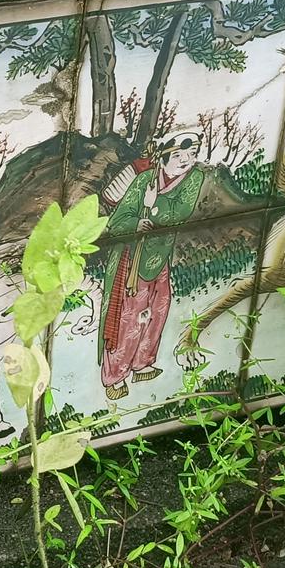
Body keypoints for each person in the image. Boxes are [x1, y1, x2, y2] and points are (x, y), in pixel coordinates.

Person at [97, 131, 205, 400]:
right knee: (128, 317)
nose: (185, 160)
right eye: (178, 155)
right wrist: (137, 223)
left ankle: (142, 363)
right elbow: (117, 221)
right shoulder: (145, 179)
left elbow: (180, 213)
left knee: (158, 309)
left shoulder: (194, 178)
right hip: (132, 259)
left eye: (191, 154)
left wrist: (151, 207)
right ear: (164, 155)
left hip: (159, 256)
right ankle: (114, 376)